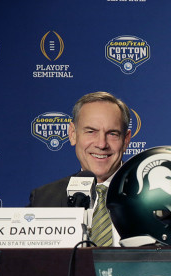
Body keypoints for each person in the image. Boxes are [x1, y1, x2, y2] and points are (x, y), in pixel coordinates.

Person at [28, 91, 132, 245]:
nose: (101, 144)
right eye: (91, 132)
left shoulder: (153, 197)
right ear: (72, 134)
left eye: (112, 134)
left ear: (126, 140)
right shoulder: (44, 200)